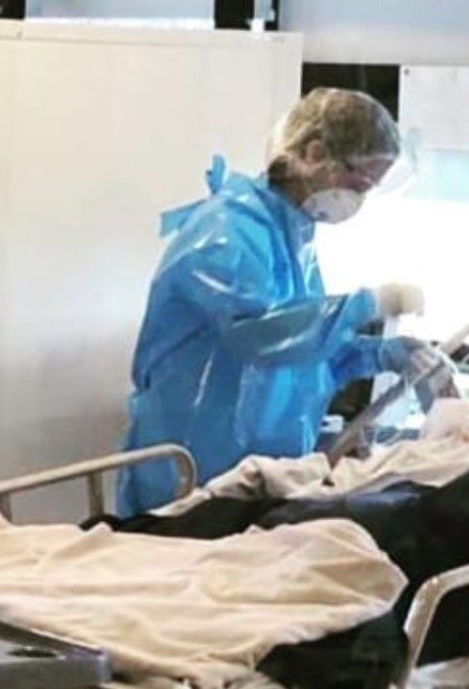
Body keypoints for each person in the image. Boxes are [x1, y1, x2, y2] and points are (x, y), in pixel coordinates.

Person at [116, 88, 435, 515]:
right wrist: (368, 304)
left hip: (259, 473)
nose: (358, 199)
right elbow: (261, 334)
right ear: (315, 152)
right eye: (358, 184)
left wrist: (379, 354)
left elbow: (306, 352)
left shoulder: (293, 237)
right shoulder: (226, 231)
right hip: (195, 464)